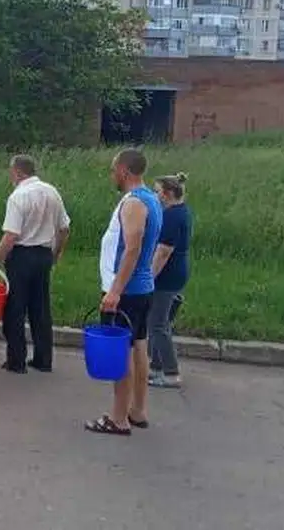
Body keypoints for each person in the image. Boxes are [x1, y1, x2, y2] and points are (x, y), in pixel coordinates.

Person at [85, 148, 162, 436]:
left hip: (127, 290)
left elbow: (133, 247)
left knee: (122, 353)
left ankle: (118, 418)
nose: (111, 174)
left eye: (113, 169)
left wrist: (115, 290)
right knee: (139, 346)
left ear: (124, 171)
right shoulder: (152, 199)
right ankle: (138, 410)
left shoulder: (133, 203)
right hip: (141, 288)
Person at [0, 155, 71, 374]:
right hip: (43, 255)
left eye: (11, 171)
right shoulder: (52, 192)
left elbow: (11, 235)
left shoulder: (18, 196)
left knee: (15, 308)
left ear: (18, 172)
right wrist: (56, 252)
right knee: (40, 308)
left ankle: (16, 360)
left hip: (21, 256)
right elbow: (65, 228)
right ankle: (43, 358)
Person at [148, 172, 192, 389]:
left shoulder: (171, 216)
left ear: (166, 194)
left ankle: (171, 372)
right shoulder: (182, 211)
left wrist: (149, 277)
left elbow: (163, 251)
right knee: (159, 321)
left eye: (156, 192)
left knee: (157, 324)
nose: (155, 196)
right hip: (178, 272)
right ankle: (156, 366)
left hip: (167, 275)